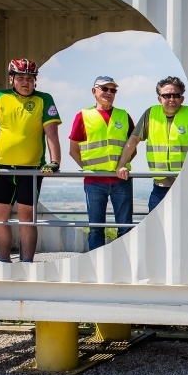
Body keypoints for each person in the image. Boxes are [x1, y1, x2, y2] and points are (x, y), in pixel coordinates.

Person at [0, 58, 62, 263]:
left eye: (30, 78)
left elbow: (51, 133)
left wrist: (55, 161)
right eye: (20, 77)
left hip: (31, 171)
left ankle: (27, 264)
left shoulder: (44, 99)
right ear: (11, 79)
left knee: (26, 219)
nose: (26, 82)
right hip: (3, 169)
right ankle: (3, 261)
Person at [69, 76, 135, 250]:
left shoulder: (124, 115)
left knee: (125, 229)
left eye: (113, 90)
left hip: (121, 181)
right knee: (96, 230)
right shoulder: (83, 116)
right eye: (104, 89)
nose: (109, 93)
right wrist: (89, 168)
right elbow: (73, 150)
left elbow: (132, 147)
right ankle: (97, 272)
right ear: (94, 91)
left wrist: (122, 165)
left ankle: (124, 269)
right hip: (95, 182)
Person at [116, 76, 188, 212]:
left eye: (176, 95)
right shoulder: (151, 114)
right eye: (167, 95)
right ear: (159, 99)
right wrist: (122, 165)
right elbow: (134, 139)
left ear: (182, 99)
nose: (171, 99)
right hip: (160, 186)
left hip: (187, 184)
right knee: (157, 227)